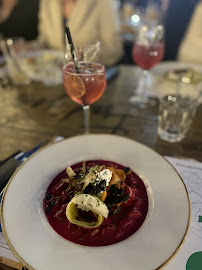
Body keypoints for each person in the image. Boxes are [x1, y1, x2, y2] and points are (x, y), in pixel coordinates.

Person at [37, 0, 124, 66]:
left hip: (88, 77)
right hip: (52, 77)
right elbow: (45, 38)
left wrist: (84, 55)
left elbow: (114, 49)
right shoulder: (47, 2)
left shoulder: (102, 2)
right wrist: (32, 47)